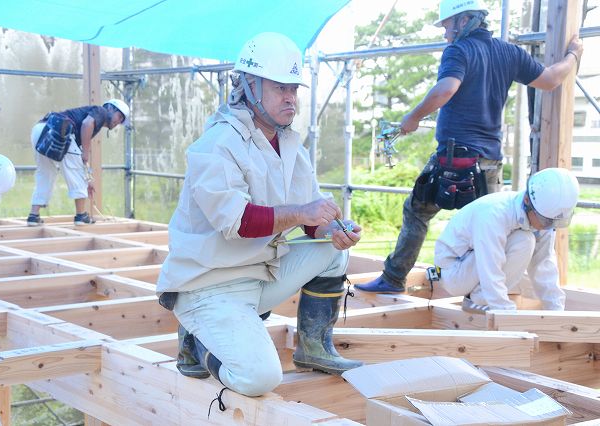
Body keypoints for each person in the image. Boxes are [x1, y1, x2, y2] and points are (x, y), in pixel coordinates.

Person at [156, 32, 363, 397]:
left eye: (294, 89)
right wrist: (302, 211)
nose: (290, 98)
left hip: (258, 275)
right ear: (249, 86)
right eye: (280, 88)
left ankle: (314, 348)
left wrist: (334, 229)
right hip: (208, 286)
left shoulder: (288, 144)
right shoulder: (217, 145)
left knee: (336, 251)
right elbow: (239, 223)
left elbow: (311, 218)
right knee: (260, 378)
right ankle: (200, 342)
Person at [356, 0, 584, 294]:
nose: (445, 33)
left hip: (454, 161)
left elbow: (447, 88)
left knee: (417, 211)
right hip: (488, 161)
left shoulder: (459, 50)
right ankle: (492, 292)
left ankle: (394, 278)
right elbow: (552, 79)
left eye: (448, 25)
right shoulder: (509, 52)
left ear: (464, 21)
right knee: (500, 227)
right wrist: (573, 55)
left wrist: (411, 118)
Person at [429, 167, 579, 313]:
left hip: (473, 265)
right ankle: (479, 300)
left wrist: (557, 311)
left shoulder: (544, 217)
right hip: (453, 272)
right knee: (525, 241)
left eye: (555, 223)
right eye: (546, 220)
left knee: (525, 241)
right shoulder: (494, 214)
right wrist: (505, 313)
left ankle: (484, 298)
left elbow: (544, 266)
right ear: (527, 200)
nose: (549, 226)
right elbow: (490, 266)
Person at [26, 99, 130, 226]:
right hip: (61, 129)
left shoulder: (87, 120)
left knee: (46, 173)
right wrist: (86, 152)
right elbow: (87, 125)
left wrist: (89, 178)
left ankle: (33, 215)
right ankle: (81, 215)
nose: (118, 122)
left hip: (41, 129)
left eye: (121, 121)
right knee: (76, 173)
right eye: (119, 116)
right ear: (110, 108)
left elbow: (77, 152)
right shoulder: (101, 111)